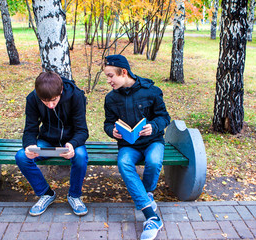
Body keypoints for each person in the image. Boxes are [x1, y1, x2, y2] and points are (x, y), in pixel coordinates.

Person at [103, 55, 171, 240]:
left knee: (154, 160)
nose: (108, 81)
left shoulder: (152, 91)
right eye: (107, 77)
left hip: (152, 141)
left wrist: (154, 126)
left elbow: (164, 117)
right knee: (124, 163)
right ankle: (151, 216)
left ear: (123, 72)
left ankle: (146, 194)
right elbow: (108, 123)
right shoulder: (111, 98)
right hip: (128, 144)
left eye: (111, 76)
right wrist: (112, 131)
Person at [15, 71, 89, 216]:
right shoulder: (32, 98)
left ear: (61, 90)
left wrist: (73, 144)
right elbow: (30, 129)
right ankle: (46, 193)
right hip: (47, 140)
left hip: (72, 141)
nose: (50, 105)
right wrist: (29, 145)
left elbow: (82, 130)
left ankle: (74, 195)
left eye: (54, 100)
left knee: (80, 156)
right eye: (45, 101)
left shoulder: (76, 96)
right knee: (22, 157)